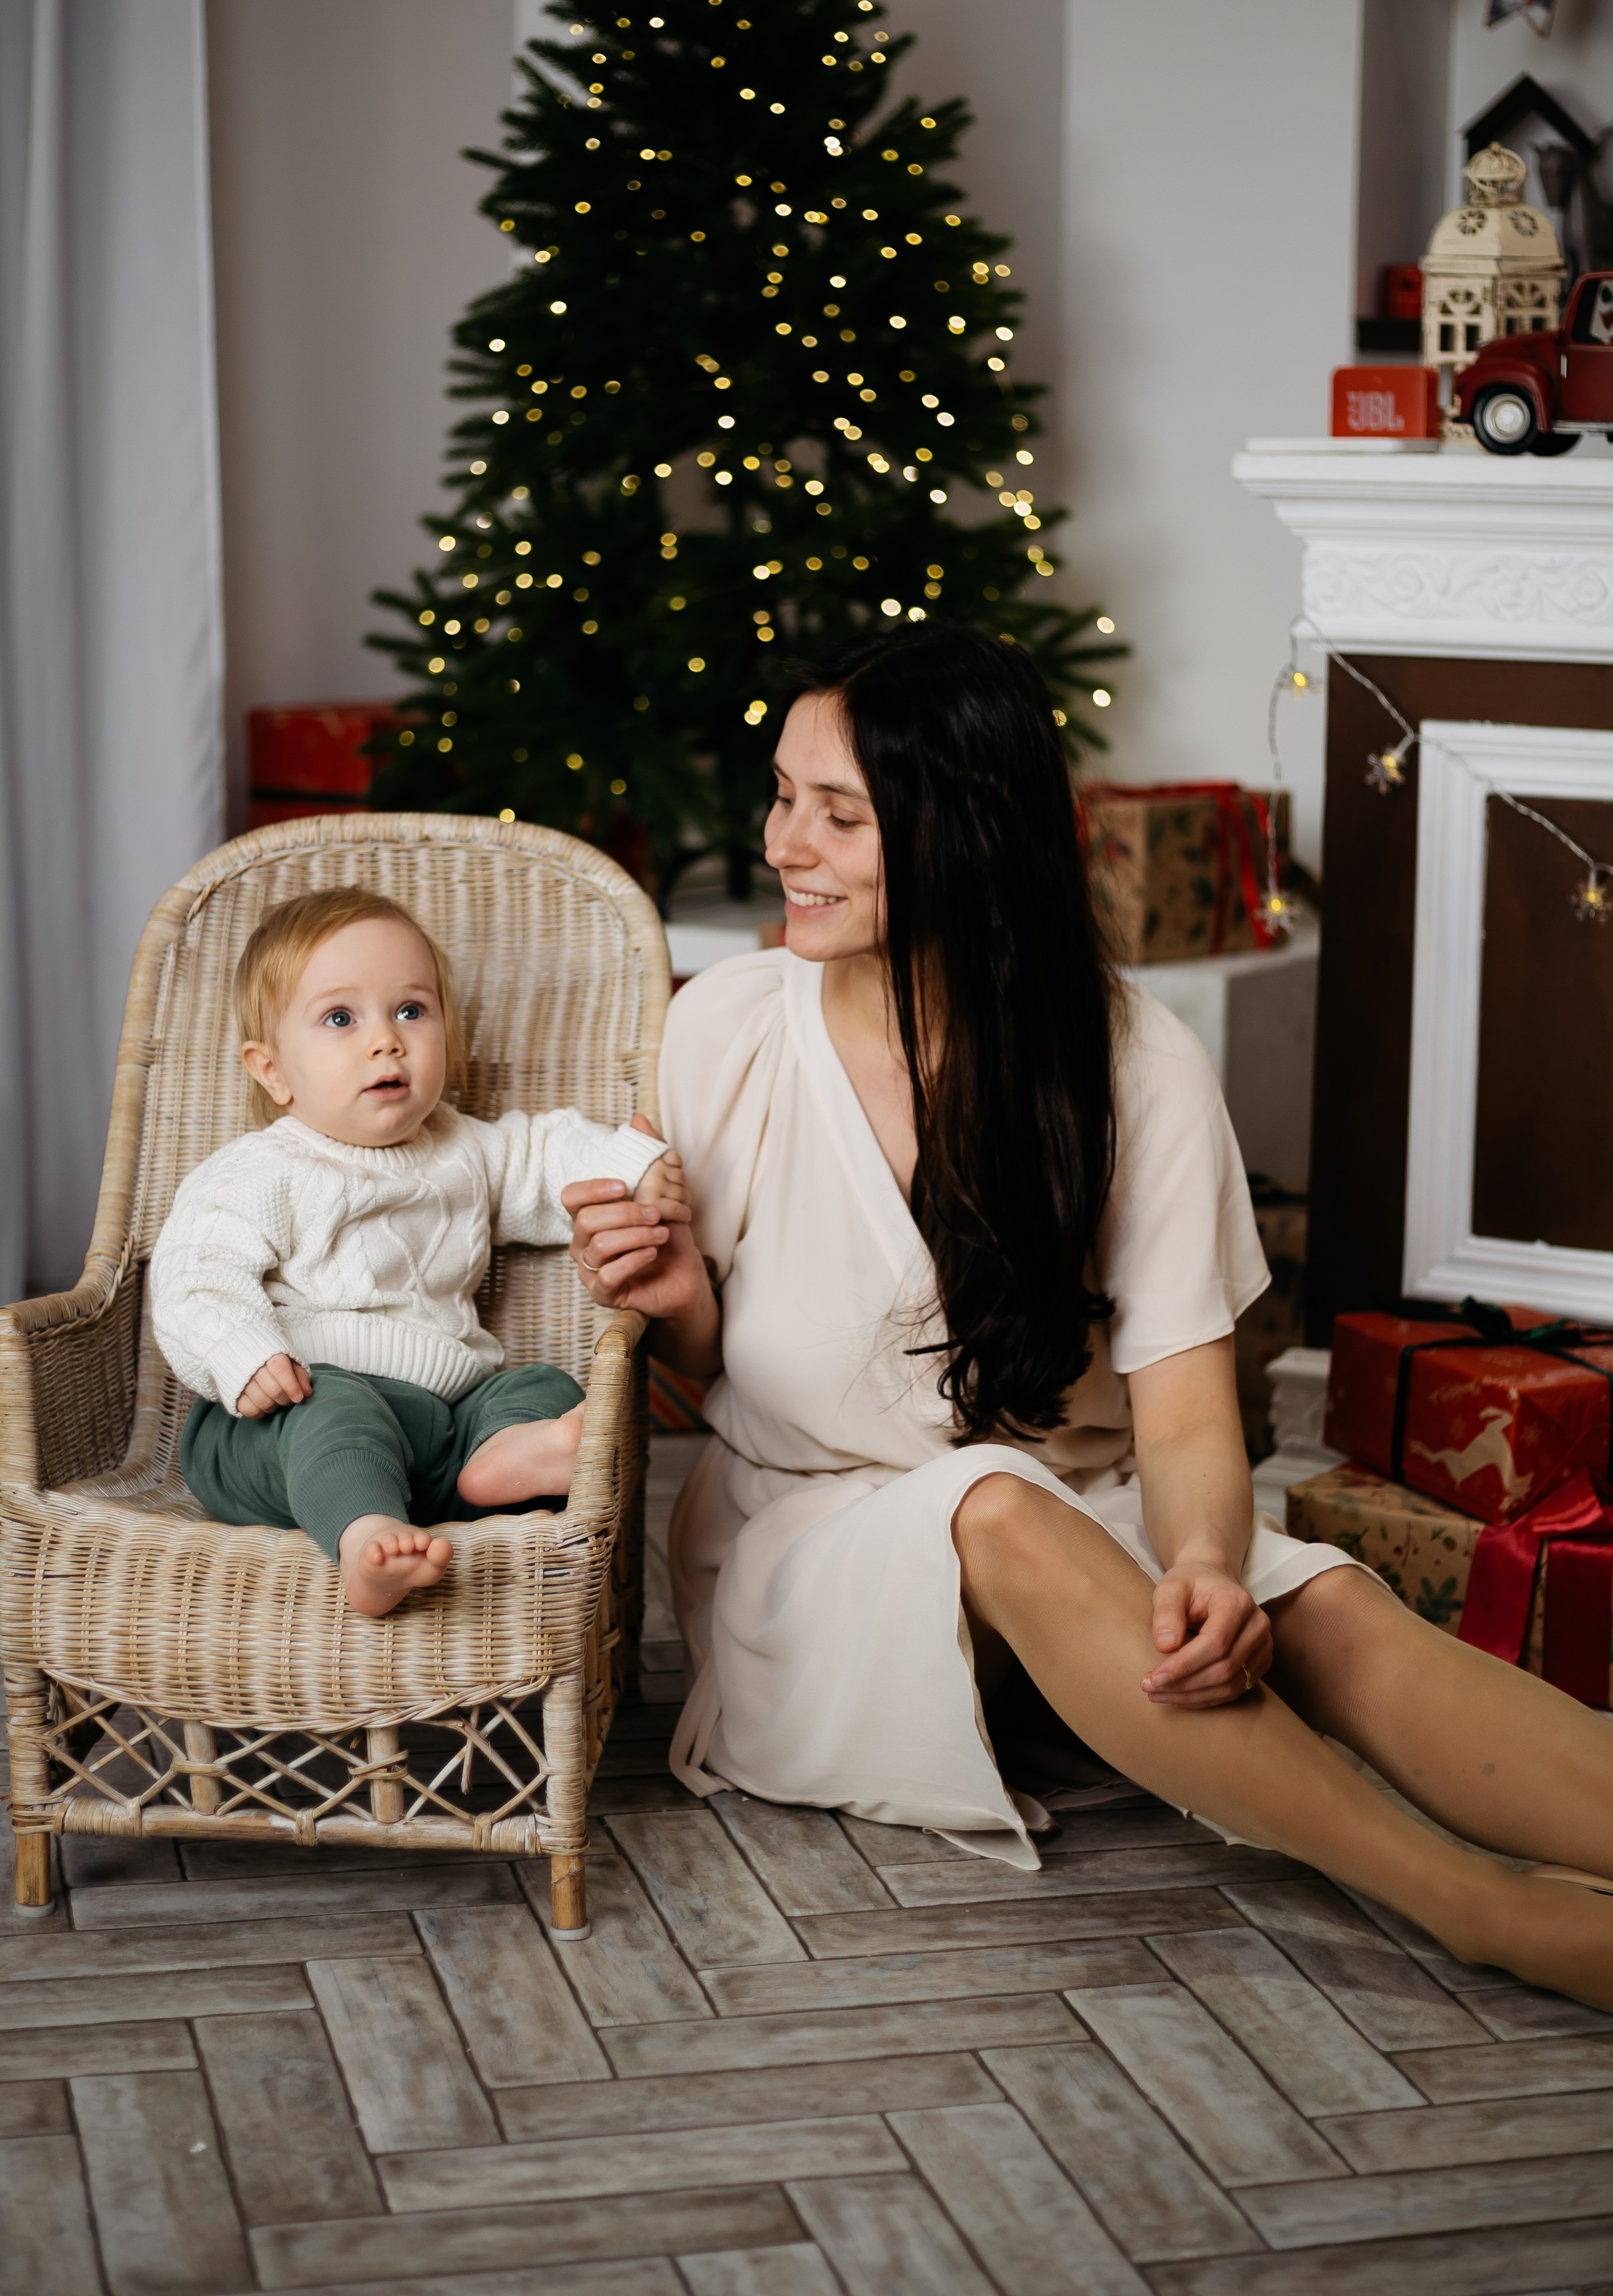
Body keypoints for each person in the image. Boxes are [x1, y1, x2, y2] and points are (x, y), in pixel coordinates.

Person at [565, 625, 1613, 2016]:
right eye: (780, 796)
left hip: (1090, 1521)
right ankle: (1473, 1907)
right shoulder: (728, 1032)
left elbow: (1185, 1413)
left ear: (965, 831)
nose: (782, 844)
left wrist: (1202, 1562)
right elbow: (717, 1374)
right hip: (807, 1562)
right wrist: (678, 1300)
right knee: (989, 1504)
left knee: (1319, 1608)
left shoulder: (1131, 1065)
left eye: (837, 814)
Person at [152, 886, 684, 1617]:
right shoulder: (260, 1171)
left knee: (538, 1386)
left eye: (411, 1010)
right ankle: (367, 1539)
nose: (386, 1039)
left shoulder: (465, 1147)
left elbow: (545, 1153)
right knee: (337, 1411)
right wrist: (242, 1352)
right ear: (272, 1069)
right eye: (341, 1018)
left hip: (438, 1425)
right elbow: (195, 1273)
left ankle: (502, 1458)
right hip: (279, 1423)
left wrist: (630, 1165)